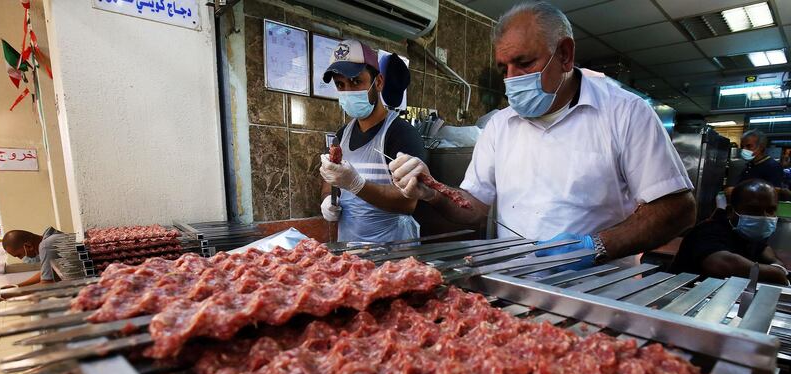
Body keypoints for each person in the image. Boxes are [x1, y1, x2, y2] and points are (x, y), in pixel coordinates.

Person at [388, 1, 695, 267]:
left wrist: (596, 246)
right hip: (515, 287)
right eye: (503, 68)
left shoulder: (625, 112)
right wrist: (432, 191)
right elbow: (475, 207)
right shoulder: (499, 125)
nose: (511, 80)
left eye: (523, 63)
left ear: (564, 55)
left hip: (600, 291)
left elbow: (678, 209)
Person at [318, 39, 426, 243]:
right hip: (350, 253)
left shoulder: (401, 134)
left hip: (394, 256)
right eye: (341, 85)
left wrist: (357, 184)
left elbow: (408, 202)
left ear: (378, 82)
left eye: (356, 82)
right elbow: (329, 182)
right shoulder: (342, 136)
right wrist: (328, 200)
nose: (348, 91)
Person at [672, 180, 787, 285]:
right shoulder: (708, 231)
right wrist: (774, 273)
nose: (764, 217)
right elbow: (724, 264)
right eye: (753, 210)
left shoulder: (750, 234)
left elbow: (766, 251)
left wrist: (776, 265)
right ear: (730, 211)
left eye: (770, 210)